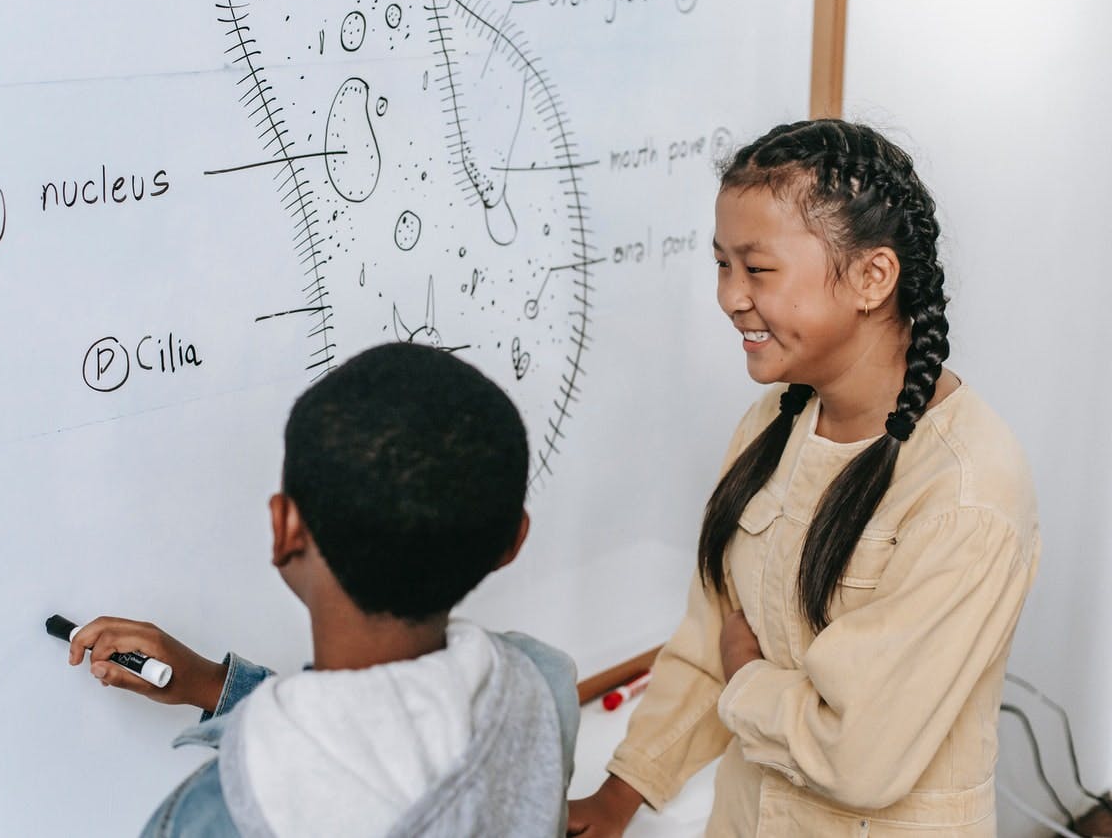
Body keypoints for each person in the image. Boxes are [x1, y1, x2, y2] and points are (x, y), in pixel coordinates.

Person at [567, 120, 1040, 836]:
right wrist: (620, 792)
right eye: (721, 265)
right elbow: (710, 634)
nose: (730, 296)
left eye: (757, 269)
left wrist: (746, 677)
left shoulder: (967, 490)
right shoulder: (770, 423)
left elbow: (858, 752)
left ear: (872, 278)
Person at [65, 342, 579, 837]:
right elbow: (383, 736)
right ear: (512, 542)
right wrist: (211, 684)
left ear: (284, 528)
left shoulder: (209, 819)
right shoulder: (544, 686)